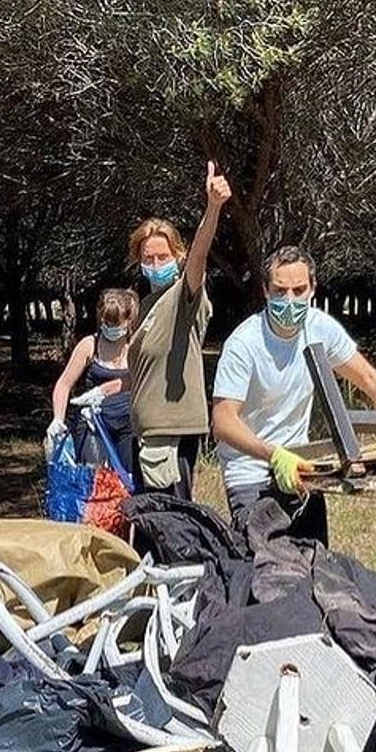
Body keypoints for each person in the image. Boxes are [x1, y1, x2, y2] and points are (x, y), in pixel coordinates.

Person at [211, 245, 376, 524]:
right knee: (266, 566)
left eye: (299, 290)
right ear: (266, 291)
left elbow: (369, 379)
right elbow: (223, 421)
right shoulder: (243, 343)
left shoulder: (320, 328)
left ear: (313, 288)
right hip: (252, 477)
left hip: (304, 472)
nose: (290, 300)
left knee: (315, 563)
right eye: (280, 291)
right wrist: (274, 455)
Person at [127, 161, 232, 501]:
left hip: (171, 434)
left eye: (163, 256)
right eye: (148, 258)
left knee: (173, 524)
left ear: (178, 255)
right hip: (146, 434)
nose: (155, 264)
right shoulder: (144, 306)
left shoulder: (182, 297)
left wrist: (212, 209)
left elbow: (200, 255)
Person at [46, 288, 138, 475]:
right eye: (107, 323)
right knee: (95, 480)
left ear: (129, 322)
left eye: (117, 324)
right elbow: (64, 384)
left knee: (128, 482)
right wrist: (58, 418)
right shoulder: (90, 345)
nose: (112, 329)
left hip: (128, 426)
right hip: (94, 425)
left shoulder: (136, 347)